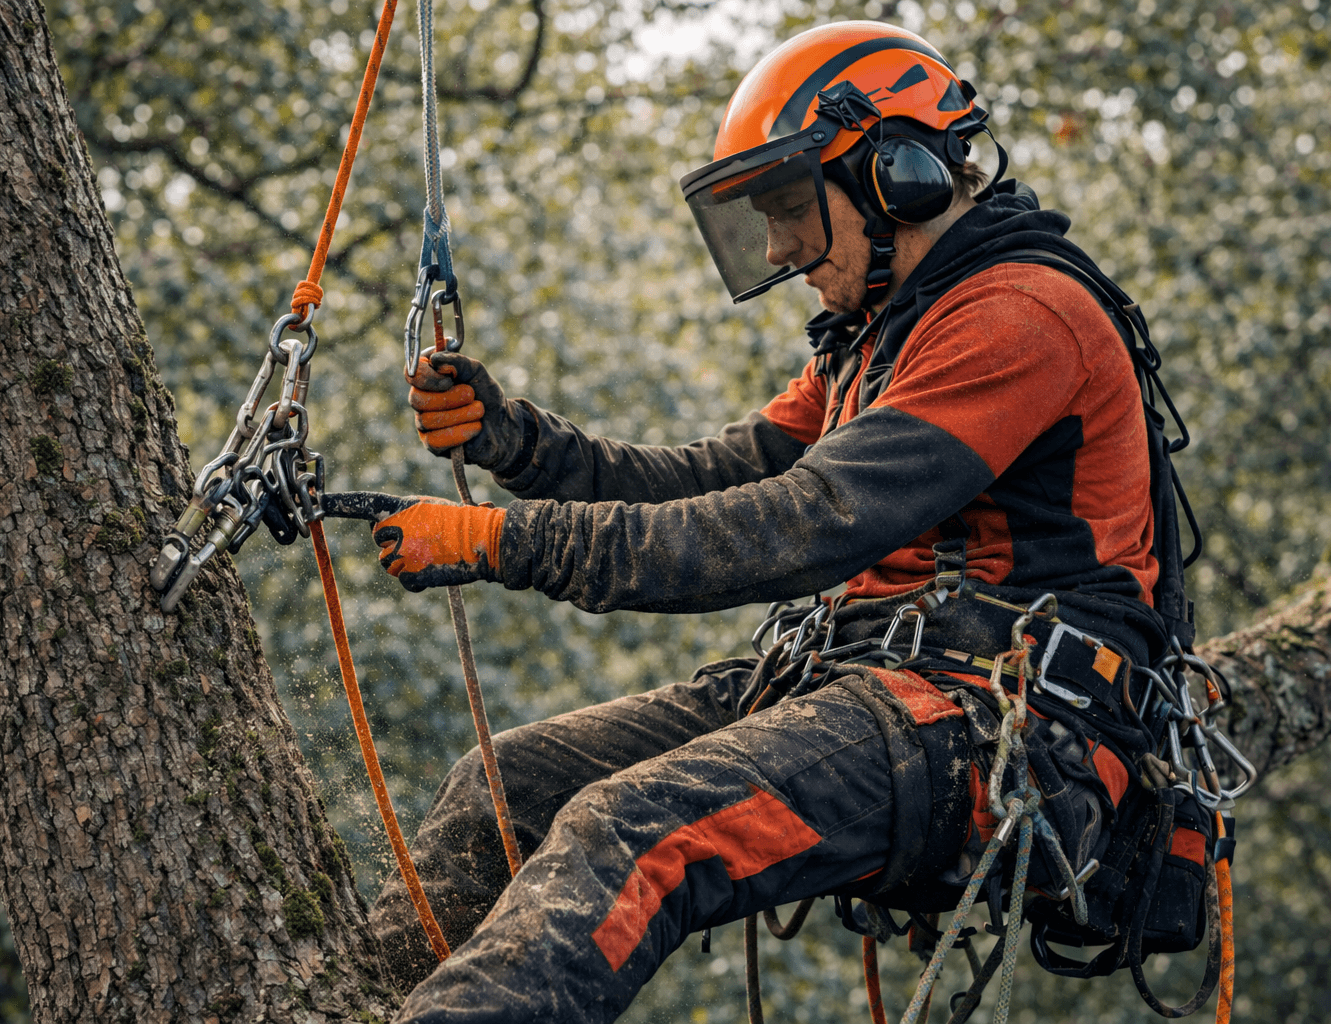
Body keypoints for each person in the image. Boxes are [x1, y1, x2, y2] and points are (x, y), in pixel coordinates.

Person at [333, 20, 1199, 1024]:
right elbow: (718, 476)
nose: (781, 248)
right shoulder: (876, 338)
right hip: (872, 683)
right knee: (506, 786)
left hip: (997, 725)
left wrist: (506, 544)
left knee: (634, 827)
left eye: (792, 207)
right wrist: (517, 444)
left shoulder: (1018, 317)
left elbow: (806, 523)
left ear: (896, 175)